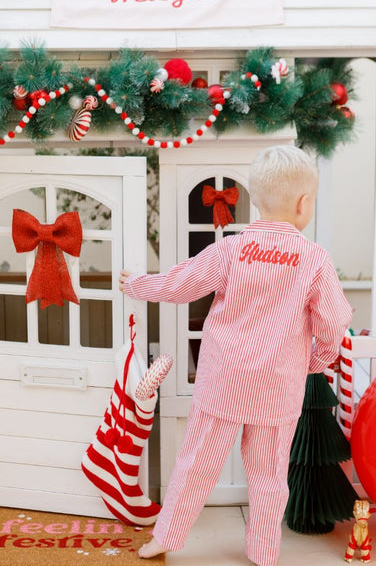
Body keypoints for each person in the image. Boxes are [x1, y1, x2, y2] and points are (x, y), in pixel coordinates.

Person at [119, 145, 352, 566]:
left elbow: (179, 285)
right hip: (278, 387)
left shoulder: (231, 249)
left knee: (195, 464)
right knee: (268, 477)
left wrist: (138, 283)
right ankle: (264, 552)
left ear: (255, 200)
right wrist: (319, 359)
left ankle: (165, 538)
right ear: (304, 203)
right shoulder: (315, 259)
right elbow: (334, 321)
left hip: (222, 379)